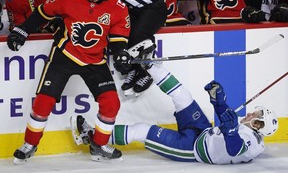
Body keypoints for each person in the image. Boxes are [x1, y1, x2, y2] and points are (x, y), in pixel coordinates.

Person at [7, 0, 132, 164]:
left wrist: (121, 55)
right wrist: (22, 31)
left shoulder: (118, 8)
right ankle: (30, 144)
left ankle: (99, 145)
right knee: (43, 101)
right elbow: (42, 13)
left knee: (111, 103)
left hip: (95, 60)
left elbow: (118, 40)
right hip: (65, 54)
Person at [72, 49, 279, 164]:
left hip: (192, 149)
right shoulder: (246, 127)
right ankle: (150, 66)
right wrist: (220, 102)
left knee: (143, 131)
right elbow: (226, 120)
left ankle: (92, 136)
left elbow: (234, 150)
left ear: (259, 126)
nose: (251, 113)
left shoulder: (254, 143)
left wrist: (231, 130)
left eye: (256, 115)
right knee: (182, 95)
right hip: (203, 131)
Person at [65, 0, 167, 97]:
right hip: (134, 11)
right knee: (119, 35)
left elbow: (108, 5)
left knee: (136, 34)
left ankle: (147, 71)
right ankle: (134, 68)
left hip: (154, 7)